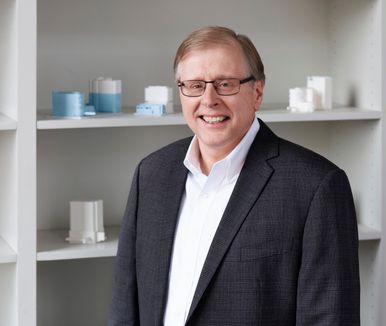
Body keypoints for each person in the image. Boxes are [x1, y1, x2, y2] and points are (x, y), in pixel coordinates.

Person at [108, 26, 360, 326]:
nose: (209, 99)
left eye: (225, 84)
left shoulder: (316, 187)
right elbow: (125, 306)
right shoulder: (150, 174)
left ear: (257, 92)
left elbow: (329, 318)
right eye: (194, 85)